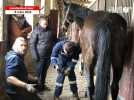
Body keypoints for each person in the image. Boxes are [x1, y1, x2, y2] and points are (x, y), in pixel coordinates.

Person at [30, 16, 55, 91]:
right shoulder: (36, 31)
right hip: (39, 56)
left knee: (44, 72)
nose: (46, 25)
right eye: (44, 24)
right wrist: (35, 56)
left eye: (47, 23)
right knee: (38, 73)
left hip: (48, 55)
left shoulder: (50, 30)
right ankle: (37, 88)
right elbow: (32, 44)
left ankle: (42, 86)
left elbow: (54, 40)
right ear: (40, 23)